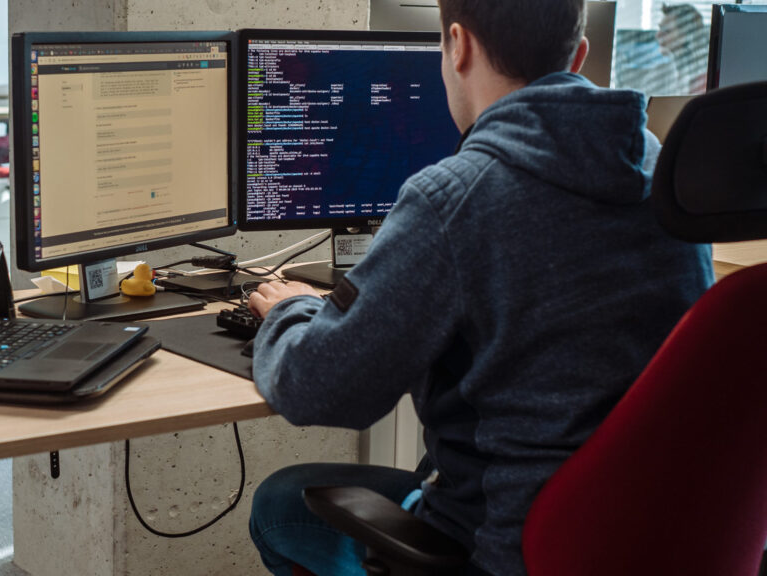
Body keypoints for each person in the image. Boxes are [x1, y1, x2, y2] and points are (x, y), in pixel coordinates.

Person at [245, 1, 715, 575]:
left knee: (278, 505)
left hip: (510, 546)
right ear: (580, 54)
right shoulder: (663, 173)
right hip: (650, 537)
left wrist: (289, 309)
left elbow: (316, 390)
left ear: (459, 45)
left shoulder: (456, 197)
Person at [655, 3, 709, 95]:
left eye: (666, 31)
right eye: (659, 29)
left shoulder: (703, 82)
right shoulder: (666, 73)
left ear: (687, 36)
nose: (658, 35)